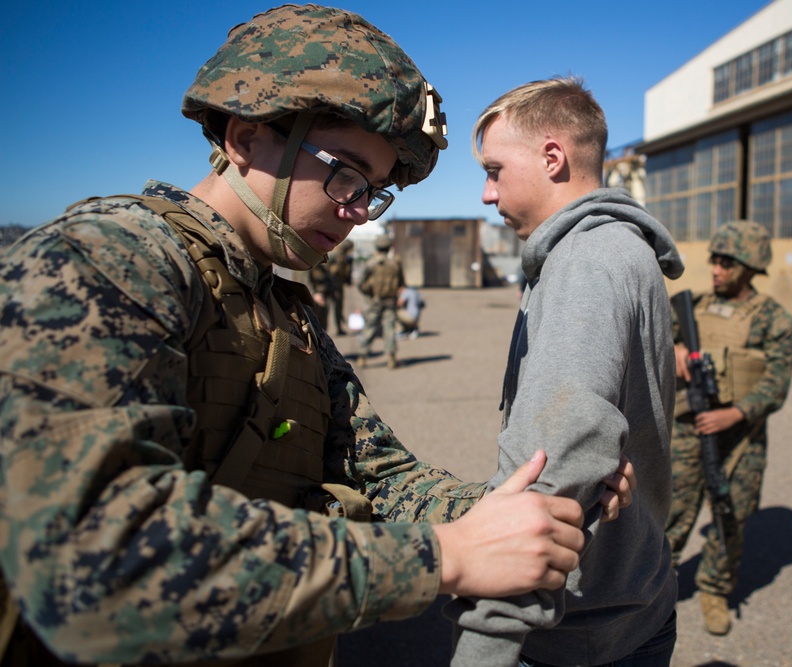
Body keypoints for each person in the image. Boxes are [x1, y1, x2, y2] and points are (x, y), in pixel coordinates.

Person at [0, 8, 638, 666]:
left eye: (376, 191)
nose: (359, 210)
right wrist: (444, 557)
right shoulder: (110, 262)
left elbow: (380, 476)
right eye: (347, 174)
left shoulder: (286, 313)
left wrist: (521, 511)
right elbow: (94, 560)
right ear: (246, 138)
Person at [445, 76, 685, 667]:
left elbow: (557, 459)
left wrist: (485, 645)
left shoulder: (587, 261)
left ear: (553, 157)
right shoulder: (618, 250)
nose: (485, 192)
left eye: (495, 170)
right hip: (631, 602)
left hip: (574, 631)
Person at [665, 220, 792, 636]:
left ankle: (714, 590)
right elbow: (651, 339)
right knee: (670, 513)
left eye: (726, 263)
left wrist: (736, 413)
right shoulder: (692, 306)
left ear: (749, 266)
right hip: (688, 428)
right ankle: (653, 590)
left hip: (741, 436)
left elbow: (777, 381)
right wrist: (676, 348)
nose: (716, 269)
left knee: (730, 517)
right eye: (715, 261)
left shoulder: (772, 319)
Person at [357, 234, 404, 368]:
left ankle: (362, 356)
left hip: (375, 300)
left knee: (370, 327)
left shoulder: (371, 262)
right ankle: (391, 357)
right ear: (389, 247)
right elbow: (401, 282)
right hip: (390, 300)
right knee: (389, 328)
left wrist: (369, 293)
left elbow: (360, 283)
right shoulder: (395, 263)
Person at [309, 238, 355, 335]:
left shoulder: (344, 256)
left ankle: (337, 328)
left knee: (337, 308)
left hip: (336, 284)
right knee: (323, 309)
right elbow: (326, 269)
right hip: (330, 284)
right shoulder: (335, 254)